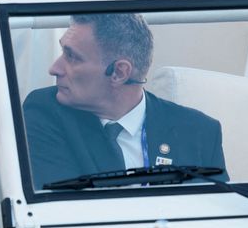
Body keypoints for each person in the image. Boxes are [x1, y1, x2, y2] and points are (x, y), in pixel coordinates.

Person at [23, 13, 227, 189]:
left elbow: (219, 217)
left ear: (119, 73)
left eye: (72, 57)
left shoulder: (199, 132)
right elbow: (67, 210)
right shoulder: (44, 112)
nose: (54, 68)